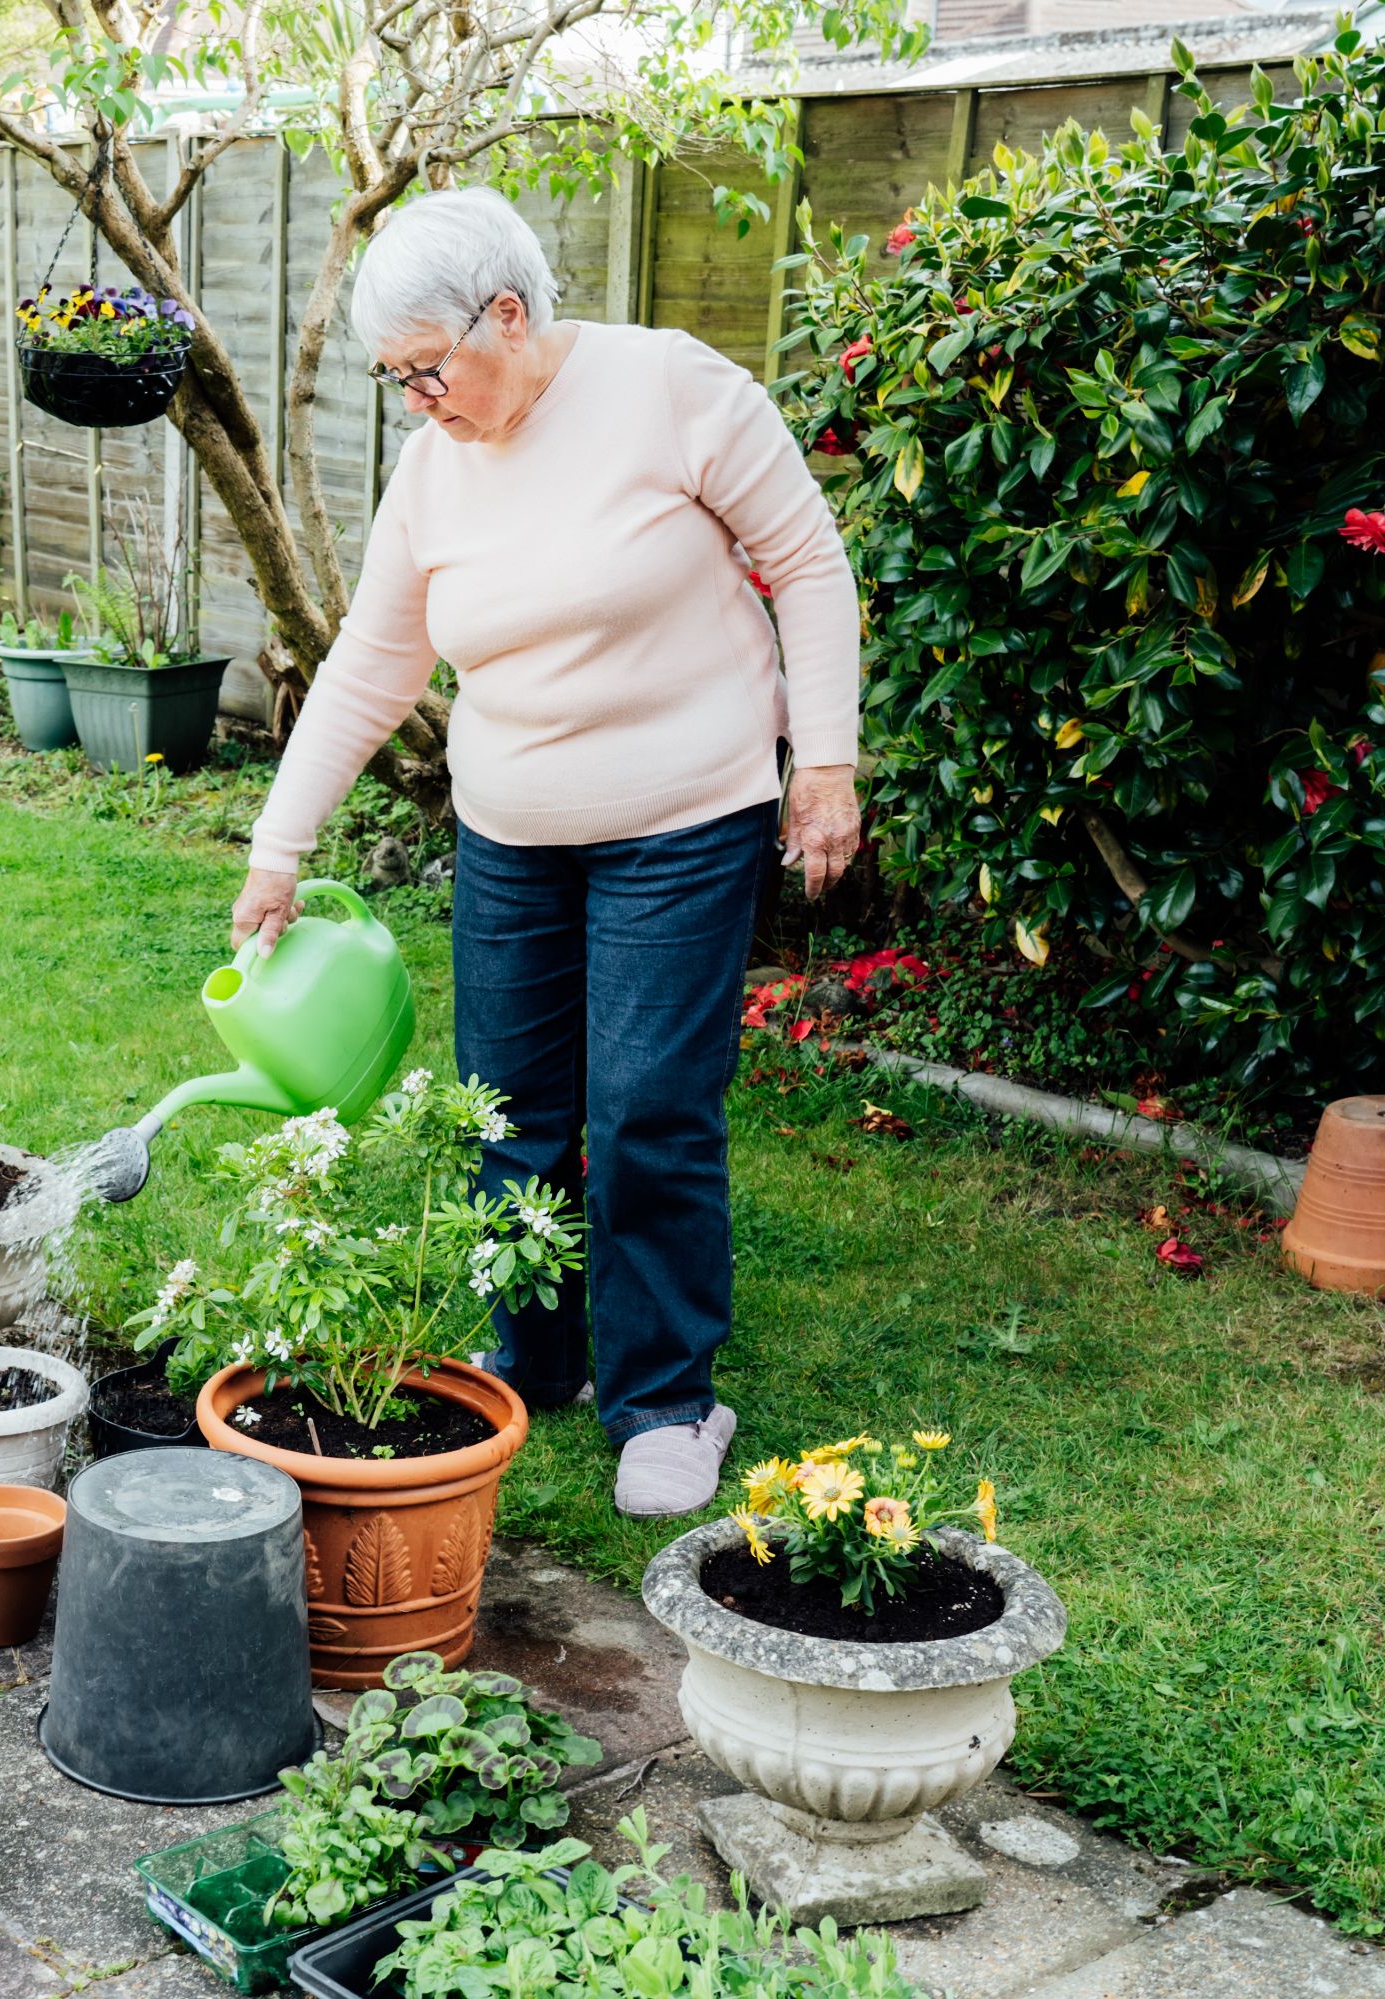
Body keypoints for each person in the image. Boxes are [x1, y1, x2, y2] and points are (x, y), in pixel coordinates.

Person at [232, 188, 863, 1518]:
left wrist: (828, 763)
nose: (417, 400)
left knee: (645, 1108)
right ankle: (537, 1353)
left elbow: (805, 559)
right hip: (512, 836)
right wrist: (277, 848)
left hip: (685, 821)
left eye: (427, 368)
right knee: (508, 1109)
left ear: (506, 317)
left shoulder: (671, 391)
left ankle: (668, 1398)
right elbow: (371, 667)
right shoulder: (434, 467)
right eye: (394, 379)